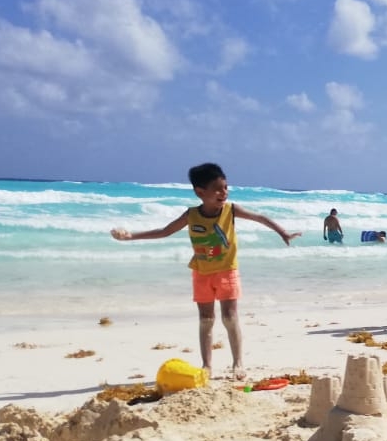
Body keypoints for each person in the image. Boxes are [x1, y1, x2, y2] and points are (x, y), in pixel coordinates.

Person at [110, 162, 300, 379]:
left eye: (226, 187)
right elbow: (165, 231)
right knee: (206, 319)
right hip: (201, 273)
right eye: (218, 188)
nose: (224, 192)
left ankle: (238, 363)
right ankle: (206, 365)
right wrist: (131, 236)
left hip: (227, 270)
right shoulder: (191, 215)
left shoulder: (231, 210)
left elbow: (259, 217)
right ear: (200, 192)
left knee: (230, 317)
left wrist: (282, 232)